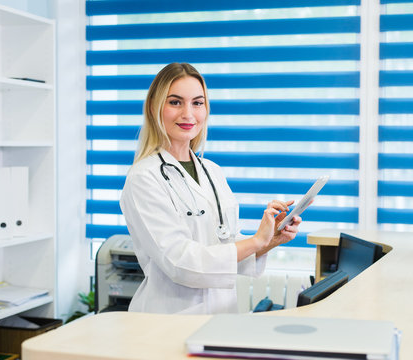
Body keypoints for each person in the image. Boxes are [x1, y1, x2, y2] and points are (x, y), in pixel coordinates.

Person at [119, 62, 302, 314]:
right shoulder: (144, 178)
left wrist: (269, 240)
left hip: (221, 315)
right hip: (168, 320)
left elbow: (223, 249)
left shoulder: (212, 171)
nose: (188, 114)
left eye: (197, 102)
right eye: (175, 102)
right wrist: (257, 241)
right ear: (154, 108)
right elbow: (181, 263)